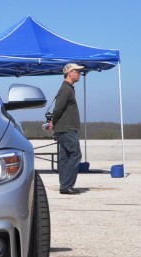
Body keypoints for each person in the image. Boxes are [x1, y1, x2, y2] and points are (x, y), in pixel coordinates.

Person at [48, 63, 84, 195]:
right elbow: (58, 108)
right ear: (70, 73)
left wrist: (54, 123)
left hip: (65, 128)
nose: (79, 74)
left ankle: (64, 185)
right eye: (77, 71)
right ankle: (66, 185)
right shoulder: (66, 89)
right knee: (75, 154)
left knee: (65, 157)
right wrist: (53, 122)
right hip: (66, 128)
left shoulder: (68, 88)